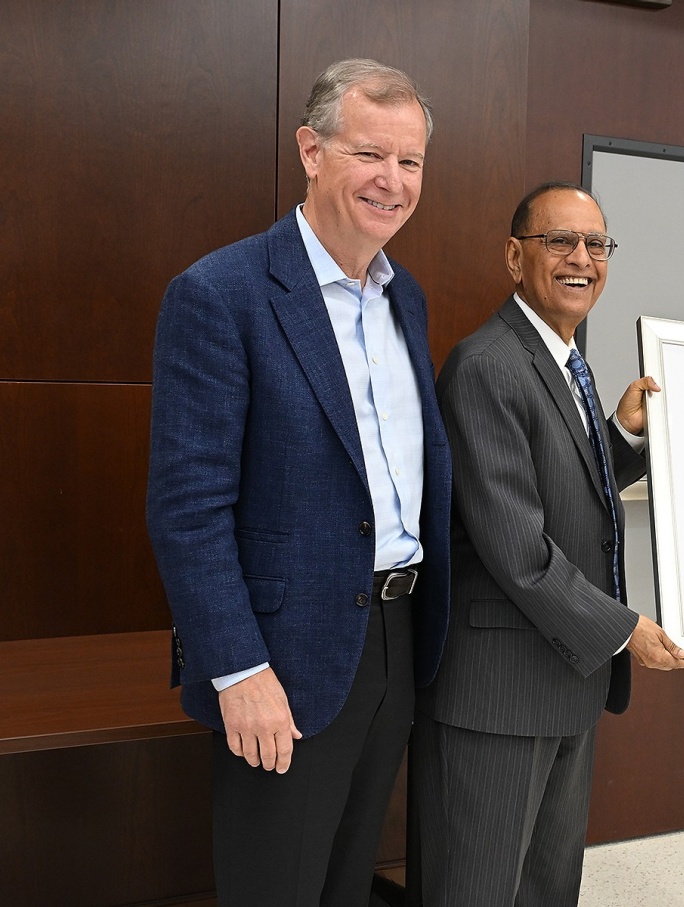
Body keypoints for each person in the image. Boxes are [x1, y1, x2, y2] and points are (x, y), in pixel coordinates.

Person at [145, 59, 450, 906]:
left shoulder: (404, 298)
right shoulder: (221, 294)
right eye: (370, 154)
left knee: (346, 883)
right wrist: (237, 668)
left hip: (394, 641)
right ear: (311, 151)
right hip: (281, 658)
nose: (392, 181)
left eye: (412, 161)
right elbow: (186, 509)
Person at [410, 181, 684, 906]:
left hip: (563, 680)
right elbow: (519, 548)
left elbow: (565, 492)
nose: (581, 259)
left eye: (596, 244)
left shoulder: (565, 359)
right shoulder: (487, 366)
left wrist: (621, 437)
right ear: (515, 257)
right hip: (498, 691)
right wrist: (626, 628)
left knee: (545, 890)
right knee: (476, 890)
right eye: (558, 241)